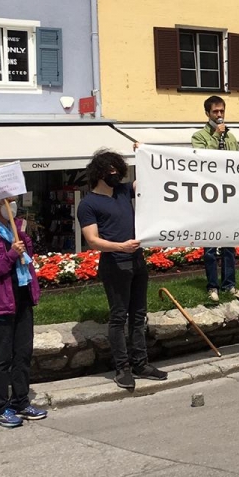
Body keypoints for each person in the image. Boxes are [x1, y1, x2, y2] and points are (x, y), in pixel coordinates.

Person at [77, 150, 167, 389]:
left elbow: (149, 179)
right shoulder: (88, 204)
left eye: (117, 170)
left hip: (137, 260)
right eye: (110, 172)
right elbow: (93, 240)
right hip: (115, 263)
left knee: (139, 315)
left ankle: (141, 363)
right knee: (119, 317)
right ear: (99, 173)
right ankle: (122, 368)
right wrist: (120, 246)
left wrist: (146, 152)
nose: (115, 175)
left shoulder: (124, 191)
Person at [0, 196, 46, 428]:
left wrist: (22, 240)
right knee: (3, 358)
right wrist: (10, 255)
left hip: (21, 299)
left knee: (23, 354)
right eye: (8, 201)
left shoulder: (15, 232)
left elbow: (27, 260)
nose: (12, 205)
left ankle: (20, 402)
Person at [191, 96, 239, 304]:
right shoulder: (199, 136)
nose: (220, 115)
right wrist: (216, 135)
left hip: (229, 196)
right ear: (207, 113)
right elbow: (203, 160)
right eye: (215, 112)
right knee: (209, 247)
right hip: (209, 197)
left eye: (222, 111)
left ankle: (229, 285)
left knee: (229, 245)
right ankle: (212, 286)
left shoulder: (231, 137)